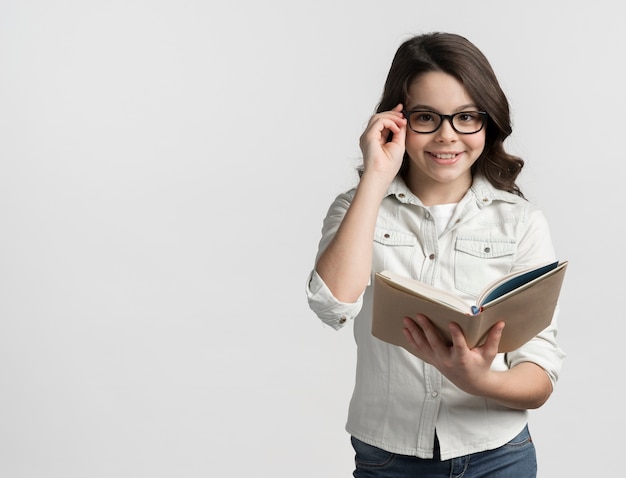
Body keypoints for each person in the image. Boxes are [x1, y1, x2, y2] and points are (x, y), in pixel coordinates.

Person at [305, 32, 565, 477]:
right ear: (396, 120)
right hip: (388, 457)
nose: (448, 136)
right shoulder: (356, 207)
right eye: (427, 117)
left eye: (466, 117)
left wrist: (478, 380)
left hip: (497, 457)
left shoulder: (521, 222)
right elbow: (332, 305)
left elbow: (540, 372)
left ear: (487, 122)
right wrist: (375, 177)